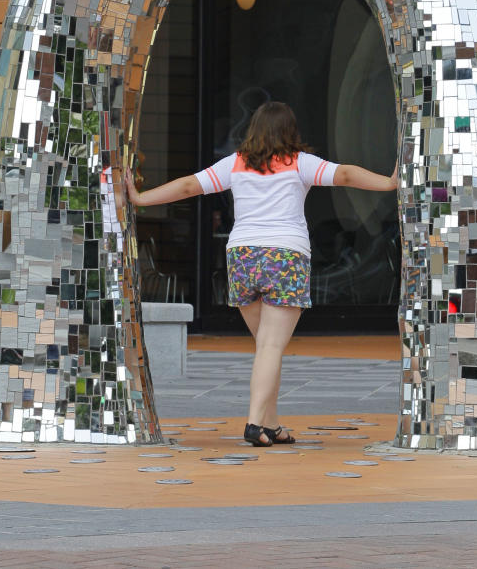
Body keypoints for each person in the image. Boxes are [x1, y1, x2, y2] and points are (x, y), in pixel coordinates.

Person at [125, 99, 397, 448]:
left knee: (267, 346)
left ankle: (272, 425)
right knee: (271, 345)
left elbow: (189, 186)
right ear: (290, 131)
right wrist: (389, 183)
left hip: (242, 259)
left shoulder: (235, 164)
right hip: (286, 255)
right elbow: (344, 174)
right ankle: (254, 423)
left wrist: (142, 199)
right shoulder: (300, 164)